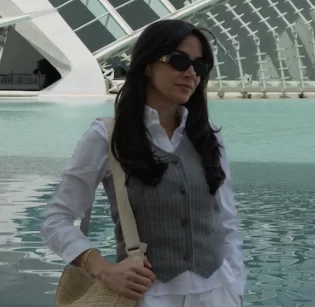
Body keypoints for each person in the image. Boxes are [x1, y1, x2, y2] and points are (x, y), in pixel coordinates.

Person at [42, 19, 245, 306]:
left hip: (218, 295)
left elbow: (227, 223)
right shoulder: (108, 136)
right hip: (147, 298)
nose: (190, 73)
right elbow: (56, 220)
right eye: (178, 61)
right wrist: (103, 269)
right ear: (147, 64)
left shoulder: (209, 139)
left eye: (199, 67)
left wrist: (236, 285)